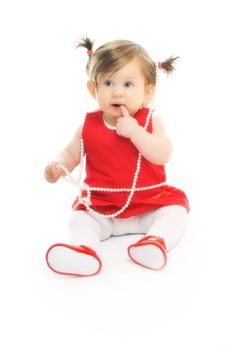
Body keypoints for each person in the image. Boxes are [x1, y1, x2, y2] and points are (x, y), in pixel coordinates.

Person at [44, 37, 189, 277]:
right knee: (78, 220)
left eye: (128, 84)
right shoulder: (88, 125)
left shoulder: (150, 121)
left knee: (176, 212)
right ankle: (84, 251)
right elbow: (71, 153)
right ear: (94, 89)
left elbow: (163, 154)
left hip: (148, 203)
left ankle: (155, 242)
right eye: (108, 83)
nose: (117, 92)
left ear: (147, 92)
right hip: (102, 208)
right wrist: (58, 165)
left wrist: (135, 133)